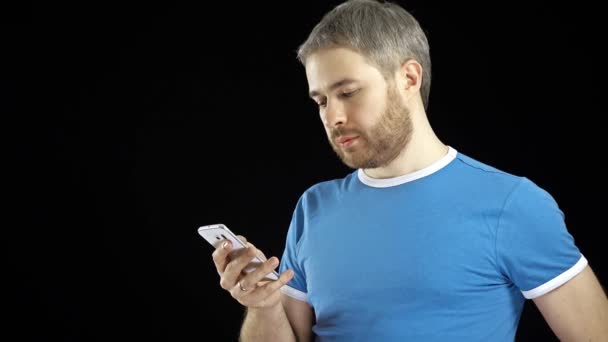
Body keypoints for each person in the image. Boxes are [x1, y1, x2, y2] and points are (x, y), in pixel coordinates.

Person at [211, 0, 608, 340]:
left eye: (348, 93)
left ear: (409, 77)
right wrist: (262, 306)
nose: (333, 116)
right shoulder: (314, 208)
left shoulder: (513, 205)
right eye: (321, 101)